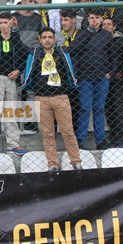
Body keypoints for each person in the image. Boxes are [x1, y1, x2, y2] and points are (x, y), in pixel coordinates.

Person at [22, 28, 82, 171]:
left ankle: (76, 162)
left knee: (68, 131)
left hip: (61, 97)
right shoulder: (35, 54)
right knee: (48, 134)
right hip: (41, 98)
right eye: (44, 37)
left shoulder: (61, 52)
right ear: (40, 40)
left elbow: (69, 69)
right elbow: (29, 72)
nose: (47, 40)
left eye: (50, 37)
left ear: (54, 39)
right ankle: (52, 164)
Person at [0, 12, 28, 155]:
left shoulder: (15, 39)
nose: (3, 26)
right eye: (1, 23)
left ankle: (13, 143)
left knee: (11, 111)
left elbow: (25, 55)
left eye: (6, 23)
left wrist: (18, 70)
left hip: (11, 79)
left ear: (11, 23)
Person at [69, 9, 113, 150]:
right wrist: (75, 74)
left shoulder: (107, 36)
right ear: (88, 19)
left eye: (97, 18)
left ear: (101, 20)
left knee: (99, 108)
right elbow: (74, 53)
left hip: (102, 77)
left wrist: (110, 72)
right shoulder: (81, 34)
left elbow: (113, 55)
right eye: (92, 18)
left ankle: (100, 141)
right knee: (84, 108)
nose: (94, 20)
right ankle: (80, 141)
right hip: (85, 77)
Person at [102, 18, 123, 147]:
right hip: (105, 78)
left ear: (114, 27)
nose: (106, 26)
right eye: (104, 24)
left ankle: (121, 137)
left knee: (117, 107)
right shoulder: (99, 40)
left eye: (109, 24)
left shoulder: (121, 41)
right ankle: (113, 137)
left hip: (118, 79)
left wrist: (121, 72)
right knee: (108, 108)